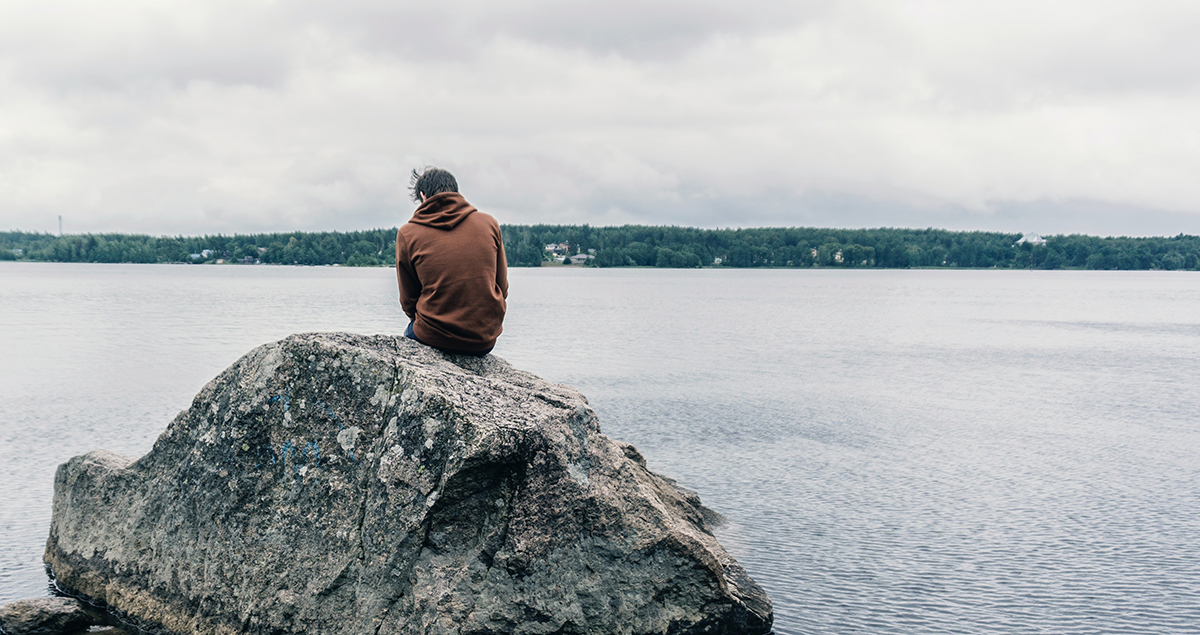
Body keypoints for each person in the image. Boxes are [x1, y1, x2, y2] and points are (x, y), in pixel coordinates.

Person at [395, 167, 508, 356]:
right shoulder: (489, 223)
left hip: (432, 337)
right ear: (456, 191)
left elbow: (408, 300)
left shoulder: (408, 233)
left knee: (409, 335)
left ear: (423, 196)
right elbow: (502, 286)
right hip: (484, 340)